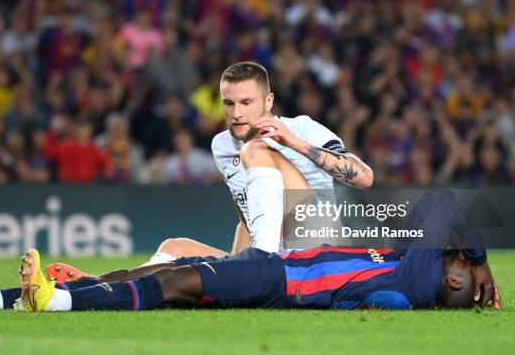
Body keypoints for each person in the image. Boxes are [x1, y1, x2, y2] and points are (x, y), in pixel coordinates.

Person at [0, 191, 501, 312]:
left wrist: (483, 260)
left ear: (453, 280)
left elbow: (442, 204)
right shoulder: (412, 276)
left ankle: (55, 303)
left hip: (276, 280)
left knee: (176, 281)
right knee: (157, 268)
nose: (460, 255)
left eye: (463, 263)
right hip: (277, 273)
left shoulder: (421, 275)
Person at [142, 61, 374, 265]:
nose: (236, 113)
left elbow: (364, 177)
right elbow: (248, 218)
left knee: (255, 149)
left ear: (268, 101)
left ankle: (264, 263)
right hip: (273, 251)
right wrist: (235, 268)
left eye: (246, 102)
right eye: (229, 103)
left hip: (318, 250)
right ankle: (110, 289)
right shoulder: (222, 145)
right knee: (174, 248)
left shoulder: (303, 128)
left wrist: (296, 144)